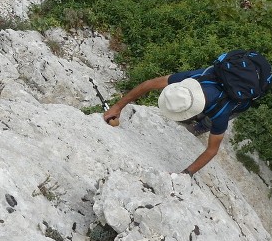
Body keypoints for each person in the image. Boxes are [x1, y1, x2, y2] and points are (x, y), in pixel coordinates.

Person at [102, 63, 255, 176]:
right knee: (209, 111)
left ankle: (202, 125)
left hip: (240, 97)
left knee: (210, 121)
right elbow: (149, 84)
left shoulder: (221, 113)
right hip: (218, 81)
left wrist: (186, 173)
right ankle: (197, 120)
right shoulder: (190, 79)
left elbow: (212, 150)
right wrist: (118, 106)